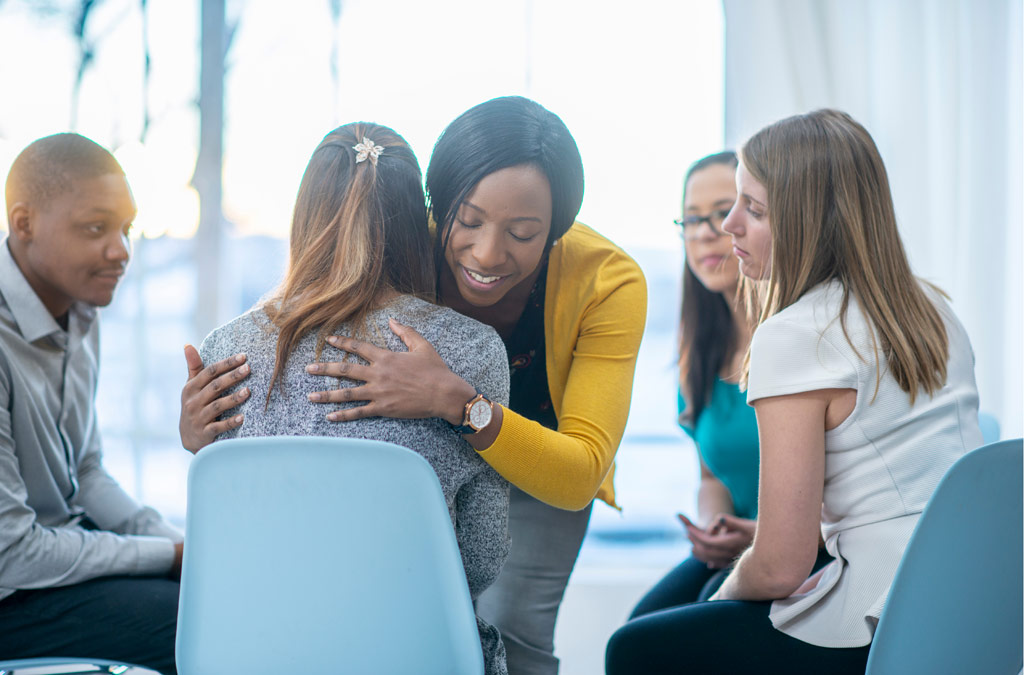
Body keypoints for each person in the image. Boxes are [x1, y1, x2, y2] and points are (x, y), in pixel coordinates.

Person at [180, 96, 648, 675]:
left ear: (557, 230)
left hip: (545, 464)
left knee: (518, 631)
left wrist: (456, 401)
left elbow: (579, 474)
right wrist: (204, 434)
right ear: (434, 204)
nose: (486, 253)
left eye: (523, 233)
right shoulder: (395, 236)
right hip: (449, 481)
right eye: (468, 221)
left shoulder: (607, 280)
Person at [605, 109, 983, 674]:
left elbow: (781, 564)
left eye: (751, 209)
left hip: (880, 619)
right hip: (972, 604)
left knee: (633, 650)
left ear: (811, 222)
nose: (729, 225)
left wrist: (718, 601)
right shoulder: (934, 309)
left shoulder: (793, 333)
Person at [193, 122, 512, 675]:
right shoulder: (471, 349)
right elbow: (481, 560)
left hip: (259, 653)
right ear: (417, 221)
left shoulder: (228, 347)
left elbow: (228, 533)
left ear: (305, 215)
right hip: (414, 652)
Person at [0, 133, 181, 674]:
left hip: (56, 556)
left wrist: (173, 542)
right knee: (203, 619)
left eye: (126, 229)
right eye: (95, 228)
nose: (121, 251)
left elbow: (87, 472)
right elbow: (14, 553)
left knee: (221, 587)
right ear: (24, 223)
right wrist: (168, 558)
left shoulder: (81, 310)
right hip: (11, 589)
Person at [631, 151, 833, 617]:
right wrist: (714, 527)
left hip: (810, 553)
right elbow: (710, 476)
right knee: (636, 628)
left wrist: (762, 532)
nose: (707, 231)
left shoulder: (800, 341)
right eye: (692, 219)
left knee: (657, 645)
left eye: (724, 212)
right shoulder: (699, 352)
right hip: (742, 546)